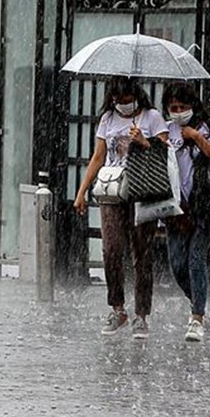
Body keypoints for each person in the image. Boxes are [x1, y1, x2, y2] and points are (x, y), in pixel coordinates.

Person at [73, 76, 169, 339]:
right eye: (117, 100)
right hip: (113, 191)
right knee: (111, 249)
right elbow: (98, 156)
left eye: (126, 100)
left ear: (135, 95)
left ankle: (141, 314)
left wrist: (144, 142)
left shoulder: (152, 117)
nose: (122, 105)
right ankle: (117, 307)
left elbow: (165, 152)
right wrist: (82, 191)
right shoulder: (107, 119)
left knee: (142, 253)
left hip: (142, 190)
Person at [162, 82, 210, 341]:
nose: (178, 111)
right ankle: (197, 300)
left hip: (202, 205)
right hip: (176, 208)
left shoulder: (205, 128)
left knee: (196, 260)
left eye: (182, 107)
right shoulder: (165, 129)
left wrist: (195, 136)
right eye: (173, 107)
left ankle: (197, 317)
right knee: (177, 264)